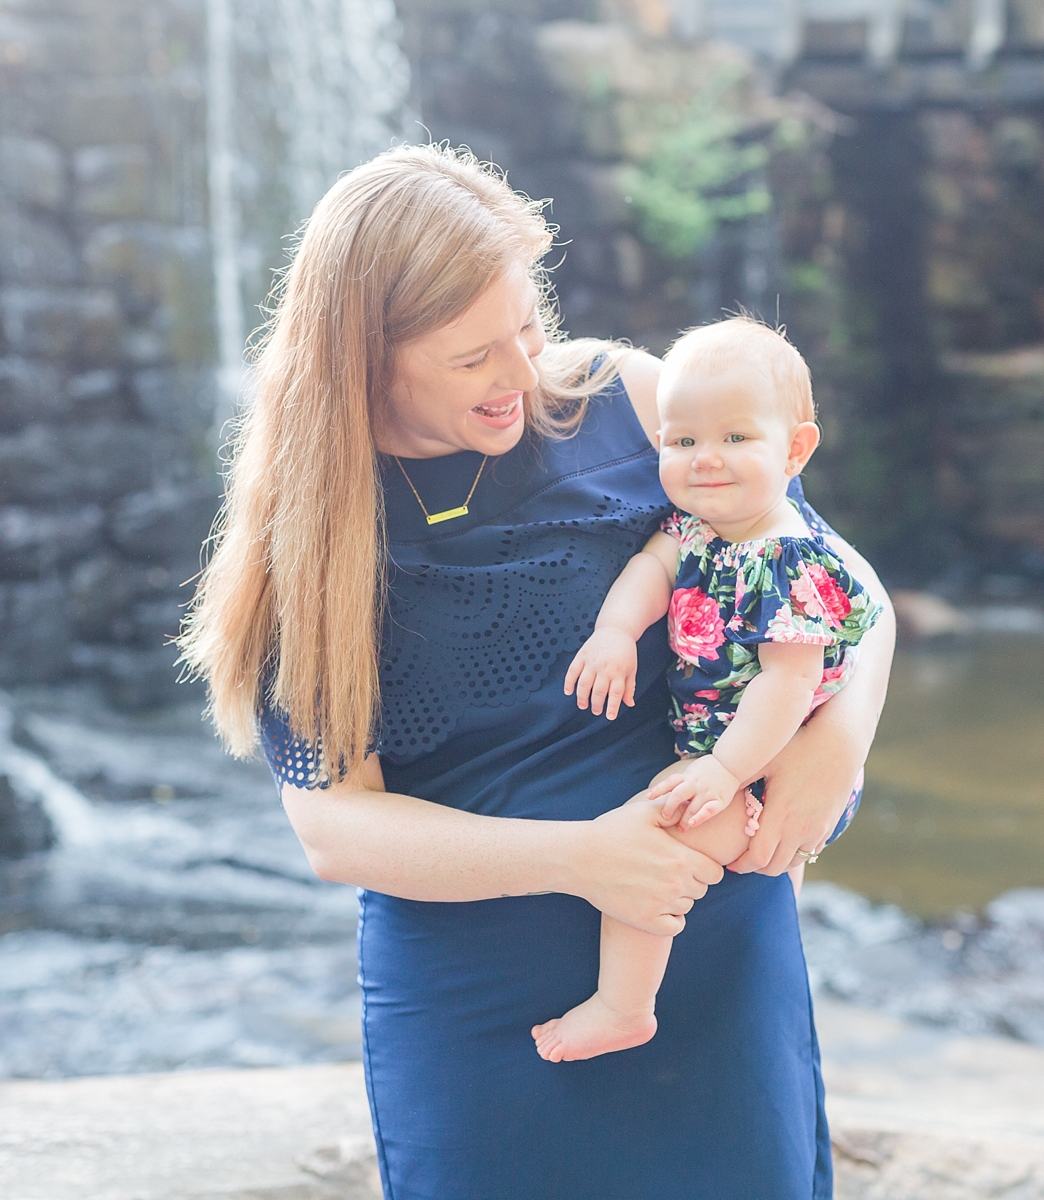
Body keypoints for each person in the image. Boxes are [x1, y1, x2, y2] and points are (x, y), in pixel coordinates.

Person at [179, 144, 894, 1200]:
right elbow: (334, 828)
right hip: (484, 1007)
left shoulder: (634, 400)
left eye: (529, 324)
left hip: (714, 956)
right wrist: (587, 860)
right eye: (474, 355)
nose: (523, 371)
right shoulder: (316, 539)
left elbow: (845, 594)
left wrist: (838, 742)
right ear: (368, 358)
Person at [534, 317, 883, 1065]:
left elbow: (790, 686)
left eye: (735, 439)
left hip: (770, 771)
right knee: (730, 872)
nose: (706, 461)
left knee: (654, 829)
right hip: (732, 757)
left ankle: (624, 1006)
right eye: (682, 442)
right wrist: (615, 633)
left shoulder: (787, 558)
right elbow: (652, 572)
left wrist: (724, 773)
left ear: (795, 450)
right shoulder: (697, 527)